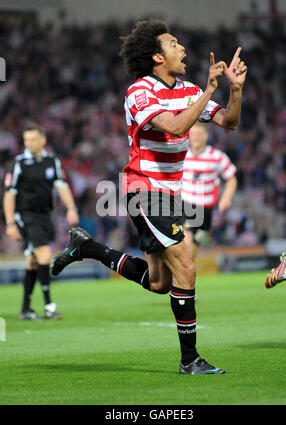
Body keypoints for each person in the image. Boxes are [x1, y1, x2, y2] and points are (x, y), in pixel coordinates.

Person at [50, 20, 247, 374]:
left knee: (160, 283)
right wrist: (208, 90)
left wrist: (234, 90)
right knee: (187, 266)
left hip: (170, 193)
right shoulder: (139, 92)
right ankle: (191, 360)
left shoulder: (187, 89)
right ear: (158, 56)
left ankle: (87, 249)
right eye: (174, 44)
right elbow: (174, 126)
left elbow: (229, 122)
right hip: (145, 189)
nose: (183, 49)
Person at [3, 123, 79, 320]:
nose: (29, 143)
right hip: (25, 215)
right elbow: (9, 194)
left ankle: (26, 309)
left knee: (34, 262)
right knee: (45, 256)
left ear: (43, 140)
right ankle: (49, 306)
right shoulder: (19, 163)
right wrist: (10, 223)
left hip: (45, 215)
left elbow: (61, 186)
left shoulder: (51, 161)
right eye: (26, 140)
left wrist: (71, 208)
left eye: (32, 139)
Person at [182, 122, 237, 259]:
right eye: (193, 134)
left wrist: (226, 198)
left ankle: (185, 276)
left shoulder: (217, 157)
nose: (196, 138)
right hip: (185, 204)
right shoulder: (181, 154)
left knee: (193, 250)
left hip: (206, 210)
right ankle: (178, 277)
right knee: (186, 240)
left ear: (206, 136)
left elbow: (231, 179)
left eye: (199, 134)